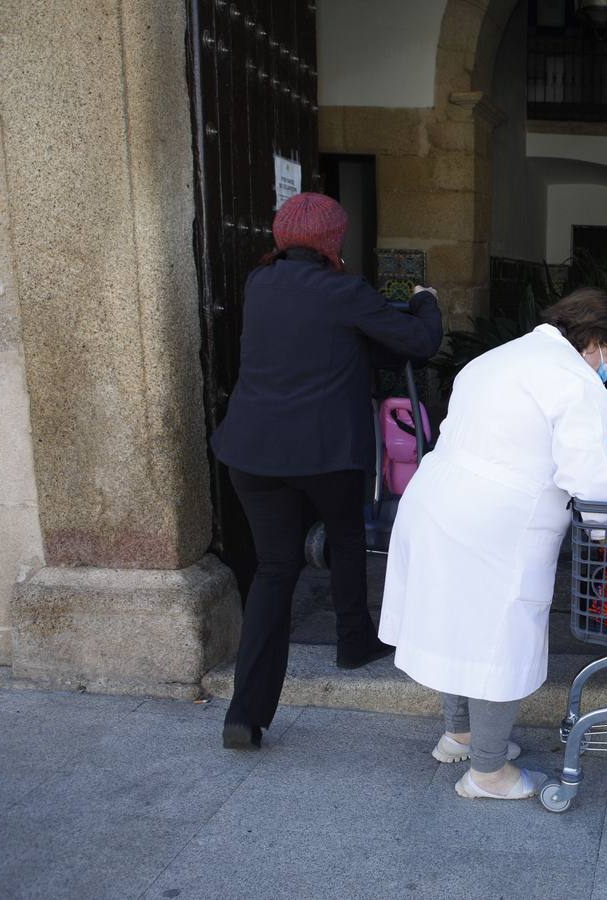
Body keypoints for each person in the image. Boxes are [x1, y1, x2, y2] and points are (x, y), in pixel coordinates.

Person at [379, 288, 607, 801]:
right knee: (496, 640)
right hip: (495, 524)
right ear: (594, 341)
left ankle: (462, 735)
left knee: (455, 623)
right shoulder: (575, 383)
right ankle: (488, 774)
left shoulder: (500, 358)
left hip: (435, 501)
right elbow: (588, 471)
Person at [212, 192, 443, 750]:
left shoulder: (258, 285)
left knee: (275, 569)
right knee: (344, 537)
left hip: (252, 452)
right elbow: (420, 341)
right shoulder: (344, 292)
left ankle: (244, 714)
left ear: (281, 235)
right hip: (324, 453)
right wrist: (425, 300)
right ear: (332, 242)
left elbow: (327, 341)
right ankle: (352, 640)